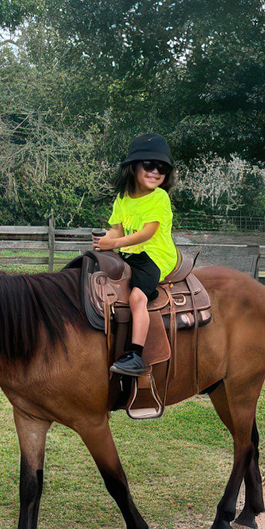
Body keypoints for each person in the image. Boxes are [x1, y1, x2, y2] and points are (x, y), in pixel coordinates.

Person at [92, 132, 179, 376]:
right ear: (133, 167)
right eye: (149, 164)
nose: (155, 171)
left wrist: (115, 243)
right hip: (130, 254)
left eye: (161, 167)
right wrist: (104, 242)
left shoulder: (159, 197)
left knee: (137, 297)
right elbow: (116, 228)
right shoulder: (122, 198)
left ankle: (136, 354)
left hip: (154, 255)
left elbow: (147, 233)